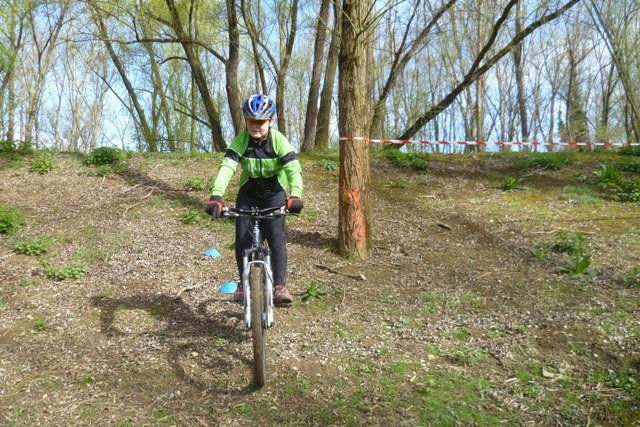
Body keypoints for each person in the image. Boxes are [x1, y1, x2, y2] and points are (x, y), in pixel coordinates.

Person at [205, 94, 304, 306]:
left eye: (261, 121)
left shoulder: (279, 141)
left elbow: (294, 169)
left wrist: (295, 195)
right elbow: (227, 167)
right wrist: (216, 195)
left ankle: (279, 286)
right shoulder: (241, 141)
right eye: (252, 121)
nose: (256, 126)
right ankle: (243, 283)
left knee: (275, 237)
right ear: (246, 121)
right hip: (248, 193)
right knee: (242, 239)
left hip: (274, 194)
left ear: (271, 121)